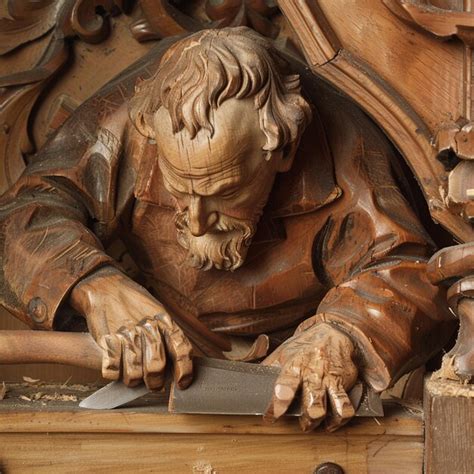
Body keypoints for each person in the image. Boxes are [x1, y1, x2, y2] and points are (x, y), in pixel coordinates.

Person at [0, 27, 454, 431]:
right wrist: (94, 285)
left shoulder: (345, 148)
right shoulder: (129, 123)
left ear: (284, 151)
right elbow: (22, 217)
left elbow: (412, 267)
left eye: (225, 190)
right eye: (180, 187)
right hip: (163, 358)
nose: (195, 219)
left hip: (296, 368)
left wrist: (344, 332)